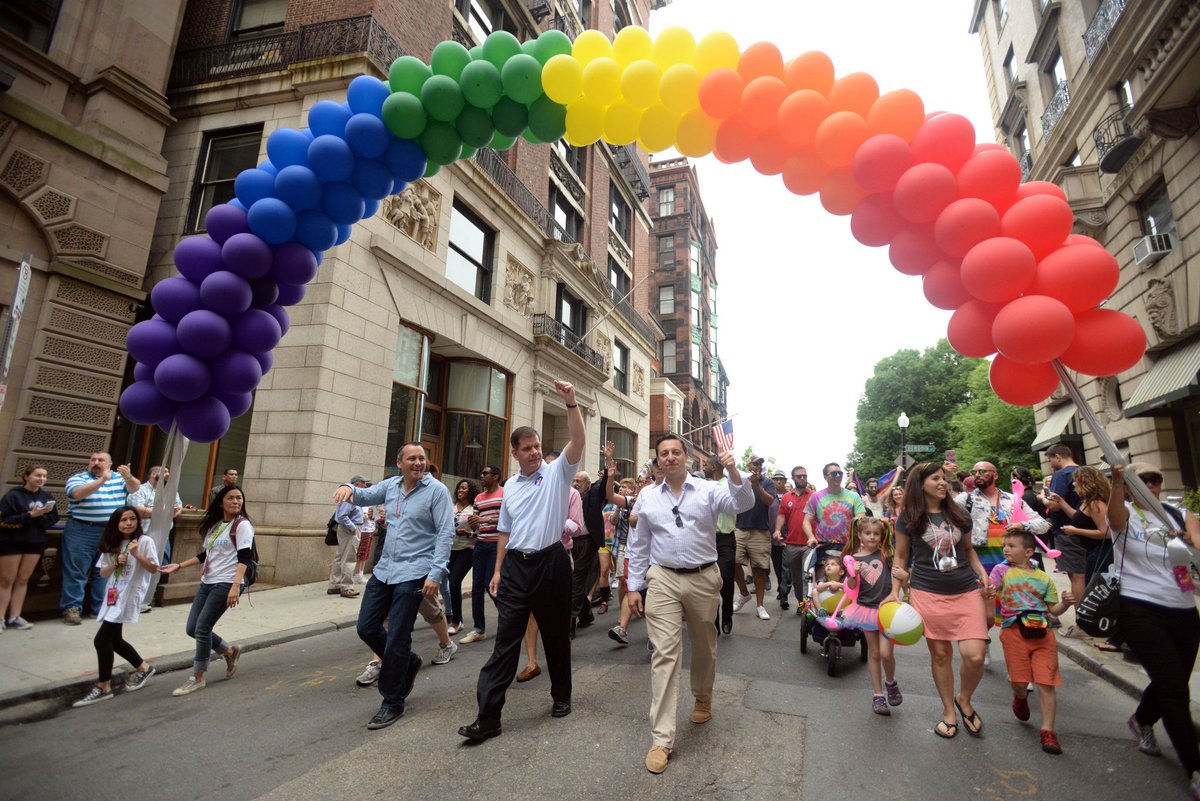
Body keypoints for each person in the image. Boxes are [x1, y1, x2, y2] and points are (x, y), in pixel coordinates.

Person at [458, 380, 583, 742]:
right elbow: (504, 533)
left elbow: (578, 440)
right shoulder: (510, 487)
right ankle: (488, 717)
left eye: (537, 447)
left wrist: (571, 402)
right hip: (515, 567)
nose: (533, 452)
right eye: (527, 448)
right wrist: (497, 570)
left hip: (552, 564)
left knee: (556, 636)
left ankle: (561, 696)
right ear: (514, 452)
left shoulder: (558, 472)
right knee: (505, 643)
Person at [627, 435, 752, 774]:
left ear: (687, 457)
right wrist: (633, 586)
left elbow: (742, 504)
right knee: (664, 653)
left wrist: (732, 469)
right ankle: (661, 739)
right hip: (663, 579)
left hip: (703, 577)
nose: (670, 458)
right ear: (657, 461)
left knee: (704, 645)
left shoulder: (709, 489)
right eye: (663, 454)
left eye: (675, 452)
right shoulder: (647, 496)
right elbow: (639, 545)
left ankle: (702, 696)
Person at [333, 443, 455, 729]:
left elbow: (445, 532)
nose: (418, 462)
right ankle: (408, 662)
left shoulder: (436, 491)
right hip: (386, 570)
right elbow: (362, 495)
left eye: (422, 458)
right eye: (412, 458)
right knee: (366, 626)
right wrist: (346, 488)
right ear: (398, 463)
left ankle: (392, 701)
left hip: (415, 571)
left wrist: (436, 573)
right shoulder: (391, 486)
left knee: (398, 635)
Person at [1107, 463, 1200, 800]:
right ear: (1130, 486)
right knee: (1175, 690)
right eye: (1140, 480)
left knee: (1172, 681)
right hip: (1139, 607)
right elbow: (1116, 520)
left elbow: (1198, 547)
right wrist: (1117, 482)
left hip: (1184, 608)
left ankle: (1141, 719)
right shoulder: (1124, 510)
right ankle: (1195, 768)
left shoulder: (1180, 513)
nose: (1149, 484)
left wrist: (1190, 541)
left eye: (1154, 478)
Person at [893, 461, 993, 740]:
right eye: (935, 478)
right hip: (927, 591)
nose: (942, 483)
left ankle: (964, 698)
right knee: (940, 655)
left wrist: (982, 574)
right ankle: (949, 710)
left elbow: (970, 549)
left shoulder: (960, 513)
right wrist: (895, 591)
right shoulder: (909, 517)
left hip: (965, 590)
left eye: (944, 478)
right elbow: (901, 557)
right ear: (920, 483)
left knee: (974, 655)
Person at [954, 460, 1050, 666]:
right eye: (975, 471)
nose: (977, 474)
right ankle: (985, 644)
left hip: (1012, 568)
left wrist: (1021, 524)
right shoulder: (966, 499)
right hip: (980, 566)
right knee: (986, 617)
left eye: (982, 471)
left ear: (995, 475)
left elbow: (1043, 525)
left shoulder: (1012, 500)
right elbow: (942, 508)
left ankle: (1018, 664)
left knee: (1014, 616)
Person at [159, 485, 252, 696]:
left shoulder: (243, 525)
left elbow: (244, 558)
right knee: (192, 628)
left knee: (202, 628)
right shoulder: (216, 526)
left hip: (227, 582)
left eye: (239, 498)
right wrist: (179, 565)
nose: (236, 502)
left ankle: (198, 677)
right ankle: (229, 651)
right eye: (231, 498)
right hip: (208, 581)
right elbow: (206, 555)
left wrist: (235, 586)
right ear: (221, 502)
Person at [990, 530, 1075, 754]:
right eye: (1005, 545)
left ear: (1028, 552)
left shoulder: (1044, 578)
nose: (1006, 549)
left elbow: (1052, 609)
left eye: (1012, 546)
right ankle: (1020, 699)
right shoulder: (1001, 571)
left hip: (1043, 634)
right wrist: (986, 591)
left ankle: (1048, 731)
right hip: (1013, 631)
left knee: (1046, 683)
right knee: (1019, 682)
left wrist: (1065, 605)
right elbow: (989, 591)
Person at [71, 506, 159, 707]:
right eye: (123, 520)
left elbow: (154, 568)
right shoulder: (113, 543)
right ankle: (144, 668)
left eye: (132, 519)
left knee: (101, 640)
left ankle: (104, 686)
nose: (128, 523)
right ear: (116, 524)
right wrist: (115, 563)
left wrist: (136, 554)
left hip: (129, 595)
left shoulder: (144, 542)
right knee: (115, 640)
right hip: (113, 595)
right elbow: (102, 572)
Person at [835, 517, 905, 716]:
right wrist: (852, 574)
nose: (872, 537)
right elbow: (849, 589)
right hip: (865, 610)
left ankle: (890, 682)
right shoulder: (853, 559)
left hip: (887, 609)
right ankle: (878, 695)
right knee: (874, 653)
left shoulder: (887, 554)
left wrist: (906, 578)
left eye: (876, 533)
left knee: (886, 653)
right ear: (859, 535)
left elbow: (901, 573)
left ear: (882, 535)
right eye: (868, 533)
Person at [60, 453, 140, 625]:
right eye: (93, 460)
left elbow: (135, 487)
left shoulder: (119, 479)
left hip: (109, 532)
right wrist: (102, 480)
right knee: (76, 571)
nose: (96, 463)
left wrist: (129, 476)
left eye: (101, 460)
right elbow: (77, 494)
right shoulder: (78, 478)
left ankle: (100, 607)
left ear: (110, 463)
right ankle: (72, 608)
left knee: (106, 570)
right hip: (81, 529)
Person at [0, 465, 58, 631]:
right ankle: (0, 617)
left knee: (23, 579)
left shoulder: (46, 497)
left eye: (44, 476)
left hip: (34, 541)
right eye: (37, 475)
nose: (41, 479)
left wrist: (40, 517)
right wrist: (29, 515)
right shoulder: (13, 496)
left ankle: (15, 616)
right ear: (26, 476)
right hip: (12, 541)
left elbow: (52, 518)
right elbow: (4, 520)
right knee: (6, 579)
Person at [127, 465, 183, 612]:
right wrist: (165, 512)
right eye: (165, 471)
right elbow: (138, 510)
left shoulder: (171, 491)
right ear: (153, 473)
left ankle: (147, 598)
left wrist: (157, 512)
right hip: (144, 535)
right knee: (140, 567)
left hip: (163, 535)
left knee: (159, 565)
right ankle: (135, 600)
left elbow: (178, 508)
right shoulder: (140, 489)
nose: (168, 474)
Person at [460, 464, 503, 644]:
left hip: (496, 544)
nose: (481, 476)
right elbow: (477, 523)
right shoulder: (478, 498)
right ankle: (479, 628)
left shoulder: (504, 494)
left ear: (496, 476)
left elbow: (509, 519)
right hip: (480, 544)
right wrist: (472, 523)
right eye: (481, 473)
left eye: (485, 473)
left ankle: (507, 618)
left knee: (489, 585)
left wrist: (485, 519)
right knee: (477, 587)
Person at [732, 456, 777, 620]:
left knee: (759, 569)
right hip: (740, 527)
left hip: (760, 530)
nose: (757, 466)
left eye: (760, 463)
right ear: (748, 465)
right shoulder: (741, 480)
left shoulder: (768, 482)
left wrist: (758, 485)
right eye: (754, 463)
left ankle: (760, 606)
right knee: (733, 562)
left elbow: (770, 501)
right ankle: (744, 593)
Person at [775, 465, 815, 612]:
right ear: (793, 478)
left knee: (807, 577)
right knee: (797, 579)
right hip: (791, 545)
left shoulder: (814, 496)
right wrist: (778, 530)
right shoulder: (786, 497)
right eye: (799, 476)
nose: (802, 478)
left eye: (804, 475)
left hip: (809, 545)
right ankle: (801, 603)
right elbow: (781, 515)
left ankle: (807, 606)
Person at [803, 462, 866, 548]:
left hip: (848, 546)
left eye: (840, 473)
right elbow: (806, 521)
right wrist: (810, 537)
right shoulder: (815, 497)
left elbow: (861, 521)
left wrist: (861, 540)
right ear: (825, 477)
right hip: (823, 546)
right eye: (833, 473)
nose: (838, 476)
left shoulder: (854, 496)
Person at [447, 479, 480, 635]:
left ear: (470, 491)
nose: (460, 490)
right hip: (450, 550)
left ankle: (456, 620)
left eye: (464, 488)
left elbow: (481, 532)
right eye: (459, 487)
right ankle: (455, 618)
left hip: (467, 550)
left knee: (454, 582)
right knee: (451, 584)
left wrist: (470, 533)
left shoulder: (473, 510)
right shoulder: (451, 507)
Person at [328, 476, 369, 599]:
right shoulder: (350, 497)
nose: (365, 486)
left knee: (341, 556)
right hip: (350, 529)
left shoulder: (352, 497)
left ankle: (335, 584)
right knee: (349, 557)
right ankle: (346, 587)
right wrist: (352, 528)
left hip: (349, 527)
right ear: (357, 484)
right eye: (363, 483)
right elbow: (342, 516)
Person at [353, 506, 378, 584]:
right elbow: (363, 516)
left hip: (370, 529)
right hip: (364, 530)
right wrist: (368, 515)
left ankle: (361, 572)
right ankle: (357, 574)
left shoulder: (372, 505)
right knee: (362, 553)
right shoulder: (363, 505)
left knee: (366, 553)